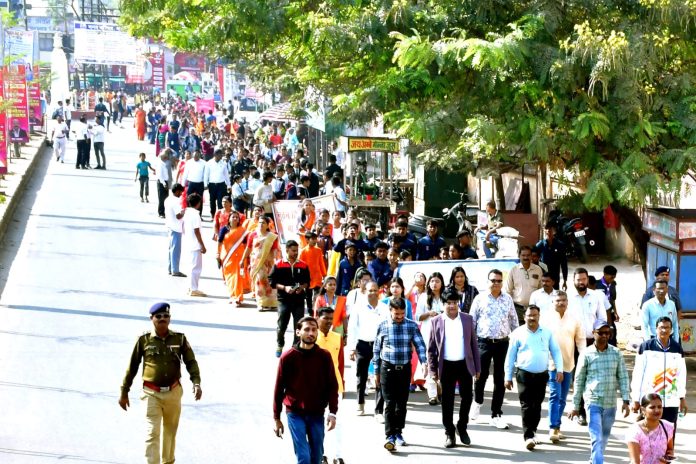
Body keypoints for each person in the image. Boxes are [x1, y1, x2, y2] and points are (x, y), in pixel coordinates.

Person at [119, 302, 202, 464]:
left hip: (173, 392)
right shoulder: (143, 340)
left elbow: (191, 362)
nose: (162, 319)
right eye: (158, 316)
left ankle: (168, 462)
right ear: (152, 318)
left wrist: (196, 382)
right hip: (151, 393)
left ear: (170, 318)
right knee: (152, 432)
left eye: (166, 316)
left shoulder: (179, 338)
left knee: (170, 432)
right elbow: (132, 366)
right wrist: (124, 391)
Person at [273, 317, 339, 464]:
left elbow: (332, 386)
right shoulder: (288, 357)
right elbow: (278, 389)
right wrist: (276, 418)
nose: (311, 333)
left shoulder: (324, 356)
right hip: (295, 413)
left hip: (317, 413)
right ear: (298, 332)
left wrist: (332, 412)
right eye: (307, 329)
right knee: (303, 457)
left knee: (317, 456)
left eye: (314, 330)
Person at [569, 319, 631, 464]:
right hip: (593, 401)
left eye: (607, 333)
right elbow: (579, 380)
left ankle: (594, 459)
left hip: (610, 403)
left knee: (604, 437)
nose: (604, 336)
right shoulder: (586, 354)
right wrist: (575, 406)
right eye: (601, 333)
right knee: (596, 437)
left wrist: (626, 400)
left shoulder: (616, 353)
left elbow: (623, 377)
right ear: (593, 333)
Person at [504, 305, 563, 450]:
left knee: (537, 405)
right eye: (529, 315)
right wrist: (508, 376)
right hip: (524, 374)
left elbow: (556, 351)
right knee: (526, 405)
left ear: (539, 316)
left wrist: (560, 369)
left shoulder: (547, 333)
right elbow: (510, 356)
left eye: (534, 315)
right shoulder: (517, 333)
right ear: (524, 317)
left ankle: (533, 431)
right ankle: (528, 436)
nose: (532, 318)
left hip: (541, 375)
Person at [427, 290, 480, 448]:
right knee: (447, 401)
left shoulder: (467, 319)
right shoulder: (436, 321)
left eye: (455, 302)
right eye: (449, 303)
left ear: (459, 303)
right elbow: (431, 349)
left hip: (464, 364)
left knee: (467, 397)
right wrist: (432, 370)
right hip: (446, 366)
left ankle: (462, 427)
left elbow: (474, 345)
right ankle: (449, 432)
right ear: (443, 304)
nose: (452, 306)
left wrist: (477, 367)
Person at [373, 297, 427, 452]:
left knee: (402, 403)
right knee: (389, 403)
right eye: (396, 314)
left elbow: (420, 345)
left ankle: (398, 432)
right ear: (390, 311)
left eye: (402, 313)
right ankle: (389, 436)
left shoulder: (411, 325)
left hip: (404, 369)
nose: (399, 317)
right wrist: (376, 371)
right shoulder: (382, 325)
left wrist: (424, 362)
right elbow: (376, 349)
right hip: (387, 368)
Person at [470, 269, 519, 429]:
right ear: (488, 281)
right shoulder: (480, 298)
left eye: (499, 281)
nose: (496, 283)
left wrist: (518, 343)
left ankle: (496, 414)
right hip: (483, 342)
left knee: (500, 378)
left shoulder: (508, 299)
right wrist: (471, 344)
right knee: (480, 375)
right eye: (493, 280)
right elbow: (472, 322)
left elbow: (514, 321)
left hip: (502, 343)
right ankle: (477, 401)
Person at [568, 267, 611, 425]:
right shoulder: (568, 297)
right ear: (573, 281)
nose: (581, 282)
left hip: (592, 342)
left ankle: (595, 410)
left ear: (588, 279)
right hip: (574, 342)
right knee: (579, 377)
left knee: (595, 376)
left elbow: (602, 318)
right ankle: (580, 411)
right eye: (578, 279)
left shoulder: (596, 296)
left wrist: (602, 339)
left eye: (584, 279)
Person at [631, 317, 687, 435]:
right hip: (650, 401)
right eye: (661, 327)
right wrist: (635, 399)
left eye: (667, 328)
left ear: (671, 330)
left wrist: (682, 398)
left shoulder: (677, 349)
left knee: (668, 435)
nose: (664, 330)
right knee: (649, 435)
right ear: (656, 329)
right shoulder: (646, 347)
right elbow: (637, 374)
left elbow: (681, 375)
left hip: (671, 401)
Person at [543, 290, 585, 443]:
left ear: (567, 302)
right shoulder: (545, 318)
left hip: (568, 363)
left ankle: (557, 426)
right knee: (555, 395)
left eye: (563, 300)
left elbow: (580, 340)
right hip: (552, 364)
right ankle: (553, 427)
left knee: (562, 398)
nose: (561, 303)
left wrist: (584, 359)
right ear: (552, 302)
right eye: (558, 300)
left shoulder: (574, 319)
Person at [347, 281, 383, 416]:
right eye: (370, 290)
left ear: (379, 291)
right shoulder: (358, 307)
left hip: (380, 346)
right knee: (361, 376)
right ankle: (360, 404)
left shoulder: (384, 308)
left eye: (375, 290)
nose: (373, 293)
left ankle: (379, 410)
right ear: (365, 291)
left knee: (380, 377)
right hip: (362, 345)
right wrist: (351, 348)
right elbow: (352, 328)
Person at [316, 307, 346, 464]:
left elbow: (340, 364)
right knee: (318, 422)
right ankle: (322, 454)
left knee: (337, 421)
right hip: (316, 387)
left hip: (335, 386)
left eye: (330, 318)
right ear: (317, 318)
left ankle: (337, 455)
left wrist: (342, 384)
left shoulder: (337, 337)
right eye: (325, 318)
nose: (328, 321)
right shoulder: (312, 337)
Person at [270, 240, 311, 357]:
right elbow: (272, 282)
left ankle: (295, 348)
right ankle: (280, 344)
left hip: (298, 300)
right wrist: (285, 288)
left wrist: (301, 288)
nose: (295, 253)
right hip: (284, 300)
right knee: (281, 325)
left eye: (297, 251)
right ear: (287, 250)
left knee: (299, 326)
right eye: (293, 251)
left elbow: (307, 282)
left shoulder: (303, 265)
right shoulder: (278, 265)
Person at [416, 272, 445, 405]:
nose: (434, 284)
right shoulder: (423, 297)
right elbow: (417, 317)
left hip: (444, 333)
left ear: (442, 283)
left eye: (437, 281)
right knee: (430, 362)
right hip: (428, 333)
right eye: (432, 281)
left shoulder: (446, 296)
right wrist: (428, 313)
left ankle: (441, 389)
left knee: (443, 362)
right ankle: (432, 395)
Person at [241, 216, 280, 311]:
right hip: (256, 263)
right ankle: (261, 303)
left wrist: (276, 261)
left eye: (263, 223)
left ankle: (271, 303)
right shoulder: (253, 234)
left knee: (269, 282)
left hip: (268, 263)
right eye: (260, 222)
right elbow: (248, 248)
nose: (261, 224)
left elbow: (275, 250)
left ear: (267, 225)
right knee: (259, 282)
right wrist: (242, 259)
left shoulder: (272, 236)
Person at [626, 394, 675, 464]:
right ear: (643, 410)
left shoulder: (667, 427)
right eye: (652, 407)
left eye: (659, 407)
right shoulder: (634, 431)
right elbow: (635, 462)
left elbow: (670, 449)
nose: (657, 410)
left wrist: (667, 458)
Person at [504, 246, 543, 324]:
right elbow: (508, 291)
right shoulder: (513, 270)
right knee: (519, 330)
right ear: (519, 256)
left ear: (531, 256)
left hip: (534, 309)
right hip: (518, 309)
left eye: (528, 255)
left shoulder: (538, 269)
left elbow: (541, 289)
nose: (526, 257)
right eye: (523, 255)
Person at [217, 210, 248, 305]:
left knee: (238, 277)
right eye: (233, 217)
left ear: (239, 219)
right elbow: (219, 242)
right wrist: (217, 253)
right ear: (229, 219)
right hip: (227, 257)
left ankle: (238, 297)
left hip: (240, 257)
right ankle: (232, 295)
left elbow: (246, 244)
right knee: (230, 277)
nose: (235, 218)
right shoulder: (224, 229)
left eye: (237, 217)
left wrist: (246, 257)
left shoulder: (242, 231)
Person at [182, 193, 207, 297]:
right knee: (196, 268)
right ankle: (193, 289)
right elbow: (196, 231)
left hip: (188, 242)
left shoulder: (186, 212)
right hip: (195, 244)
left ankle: (190, 287)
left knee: (191, 266)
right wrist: (202, 245)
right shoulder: (195, 214)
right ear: (198, 203)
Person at [641, 280, 680, 344]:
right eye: (659, 288)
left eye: (663, 288)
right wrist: (648, 343)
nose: (661, 291)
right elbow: (644, 326)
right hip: (654, 339)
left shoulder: (671, 304)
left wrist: (676, 341)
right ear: (654, 290)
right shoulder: (647, 305)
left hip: (669, 338)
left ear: (667, 290)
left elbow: (675, 324)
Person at [299, 232, 327, 314]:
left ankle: (317, 309)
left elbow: (321, 263)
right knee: (308, 295)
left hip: (317, 276)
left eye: (316, 239)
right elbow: (300, 265)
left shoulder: (318, 250)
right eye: (313, 239)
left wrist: (324, 274)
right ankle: (310, 310)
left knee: (318, 294)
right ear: (307, 240)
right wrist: (301, 277)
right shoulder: (303, 251)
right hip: (308, 277)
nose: (315, 241)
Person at [535, 224, 568, 290]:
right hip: (543, 277)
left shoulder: (560, 245)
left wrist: (565, 280)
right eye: (546, 229)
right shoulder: (540, 245)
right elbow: (534, 259)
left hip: (555, 277)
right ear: (544, 231)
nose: (548, 231)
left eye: (550, 230)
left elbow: (564, 263)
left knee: (555, 294)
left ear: (554, 231)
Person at [164, 183, 186, 278]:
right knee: (176, 250)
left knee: (171, 249)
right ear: (177, 191)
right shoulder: (176, 201)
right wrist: (184, 211)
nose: (181, 194)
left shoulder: (167, 199)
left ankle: (170, 268)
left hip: (170, 226)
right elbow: (178, 216)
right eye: (180, 192)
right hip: (176, 228)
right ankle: (175, 270)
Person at [595, 265, 620, 346]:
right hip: (600, 314)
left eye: (614, 277)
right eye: (611, 277)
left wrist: (615, 312)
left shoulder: (613, 284)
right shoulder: (596, 285)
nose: (612, 279)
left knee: (612, 332)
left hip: (610, 313)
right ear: (605, 274)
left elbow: (612, 299)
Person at [205, 149, 231, 218]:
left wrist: (229, 185)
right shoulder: (209, 163)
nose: (221, 156)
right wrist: (205, 184)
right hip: (212, 185)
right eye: (220, 155)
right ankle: (213, 215)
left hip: (221, 185)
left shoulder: (223, 163)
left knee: (220, 201)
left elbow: (226, 175)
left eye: (221, 155)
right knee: (212, 200)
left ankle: (220, 216)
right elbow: (206, 174)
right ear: (215, 155)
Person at [182, 150, 206, 217]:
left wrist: (205, 184)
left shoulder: (204, 163)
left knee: (199, 200)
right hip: (191, 183)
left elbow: (205, 175)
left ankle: (199, 215)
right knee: (189, 198)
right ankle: (189, 214)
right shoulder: (189, 162)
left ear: (200, 156)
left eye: (197, 156)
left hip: (200, 183)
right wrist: (183, 184)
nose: (196, 157)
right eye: (194, 156)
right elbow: (185, 173)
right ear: (193, 155)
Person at [156, 150, 173, 217]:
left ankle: (165, 212)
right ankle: (161, 213)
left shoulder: (164, 163)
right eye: (165, 156)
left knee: (166, 198)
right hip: (161, 182)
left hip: (165, 182)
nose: (166, 158)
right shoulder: (160, 164)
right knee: (161, 198)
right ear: (162, 157)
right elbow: (160, 176)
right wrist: (164, 184)